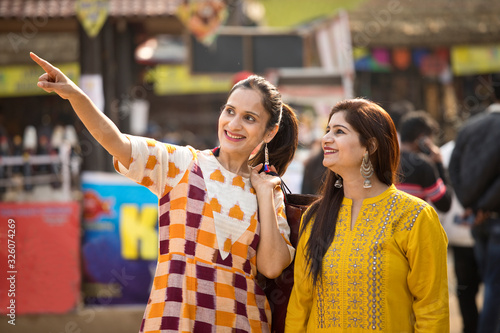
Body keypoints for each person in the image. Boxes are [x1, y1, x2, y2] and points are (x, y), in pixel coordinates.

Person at [31, 52, 299, 332]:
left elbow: (271, 267)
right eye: (229, 111)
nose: (233, 124)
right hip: (174, 322)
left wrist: (265, 192)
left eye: (249, 118)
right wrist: (75, 95)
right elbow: (116, 142)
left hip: (242, 324)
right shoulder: (181, 163)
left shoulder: (268, 190)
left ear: (270, 132)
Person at [285, 98, 449, 332]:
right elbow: (300, 304)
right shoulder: (315, 216)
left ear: (370, 146)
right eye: (327, 130)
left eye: (339, 131)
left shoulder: (415, 217)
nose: (326, 139)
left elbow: (432, 309)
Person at [449, 73, 500, 333]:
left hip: (476, 220)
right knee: (494, 286)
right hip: (492, 217)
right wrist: (485, 206)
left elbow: (453, 167)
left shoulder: (469, 127)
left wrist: (471, 204)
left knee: (487, 284)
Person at [440, 140, 480, 333]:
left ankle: (469, 327)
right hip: (483, 229)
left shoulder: (446, 151)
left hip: (456, 232)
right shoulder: (488, 147)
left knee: (465, 289)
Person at [396, 110, 452, 213]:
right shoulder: (423, 165)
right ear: (422, 139)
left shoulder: (385, 160)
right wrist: (438, 164)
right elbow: (445, 205)